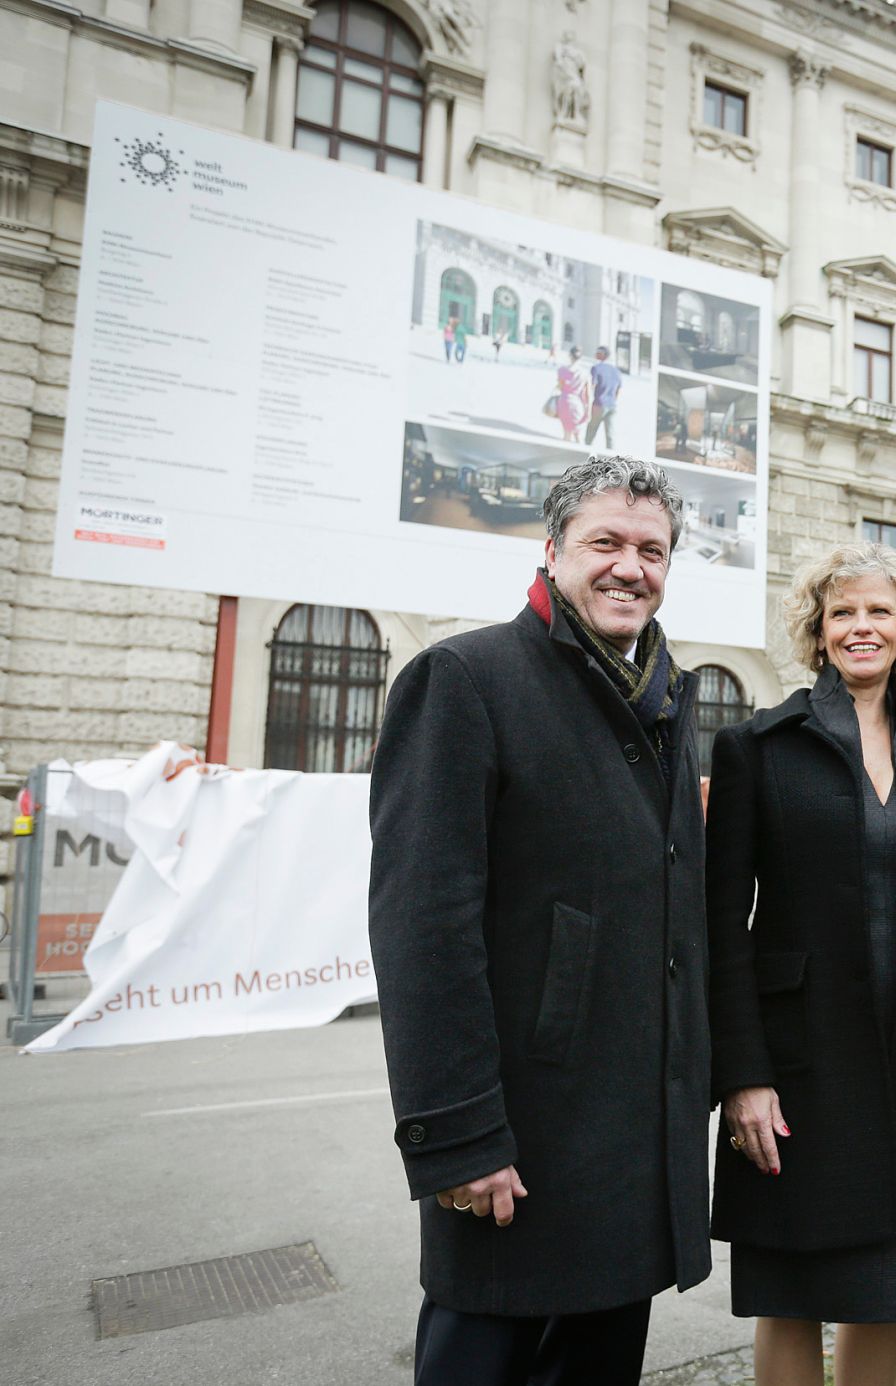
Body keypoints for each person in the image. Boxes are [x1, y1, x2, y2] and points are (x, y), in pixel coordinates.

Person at [368, 455, 711, 1386]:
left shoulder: (662, 698)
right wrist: (460, 1137)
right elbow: (422, 928)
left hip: (630, 1144)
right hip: (517, 1146)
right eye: (606, 543)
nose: (629, 568)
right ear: (554, 549)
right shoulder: (465, 679)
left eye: (652, 550)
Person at [706, 542, 896, 1386]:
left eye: (880, 612)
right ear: (818, 631)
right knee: (790, 1287)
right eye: (843, 613)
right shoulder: (757, 747)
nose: (861, 627)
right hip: (798, 1062)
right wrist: (742, 1074)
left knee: (889, 1283)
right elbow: (723, 925)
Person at [583, 345, 621, 448]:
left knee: (592, 429)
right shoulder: (616, 371)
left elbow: (592, 385)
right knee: (610, 433)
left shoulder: (596, 368)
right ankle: (610, 456)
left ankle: (586, 450)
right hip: (612, 405)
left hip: (599, 404)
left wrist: (588, 403)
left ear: (603, 355)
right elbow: (618, 389)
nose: (596, 354)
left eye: (598, 352)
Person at [555, 346, 589, 443]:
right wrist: (588, 410)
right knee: (578, 434)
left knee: (566, 433)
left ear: (570, 355)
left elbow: (560, 387)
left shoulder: (561, 370)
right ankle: (581, 456)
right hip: (577, 403)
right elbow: (587, 394)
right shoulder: (584, 373)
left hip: (564, 401)